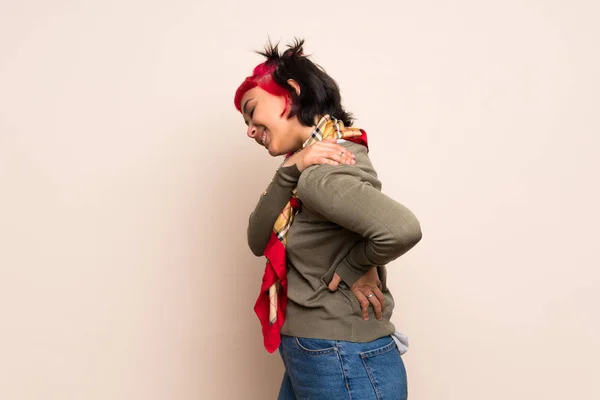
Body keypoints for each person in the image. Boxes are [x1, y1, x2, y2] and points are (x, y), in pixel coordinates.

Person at [234, 38, 422, 400]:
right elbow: (257, 240)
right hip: (321, 348)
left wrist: (356, 264)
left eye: (252, 110)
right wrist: (290, 169)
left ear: (291, 92)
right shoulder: (306, 168)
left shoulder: (323, 173)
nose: (249, 129)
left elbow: (402, 230)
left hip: (340, 352)